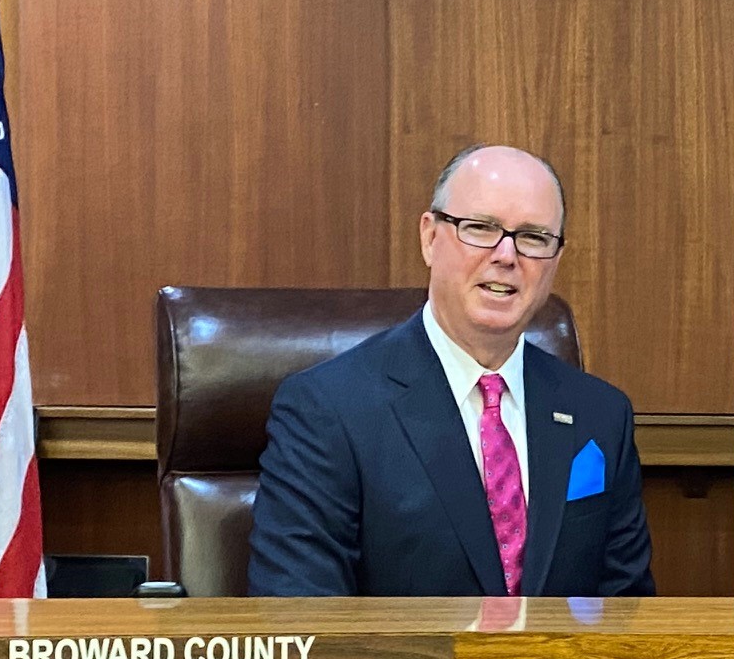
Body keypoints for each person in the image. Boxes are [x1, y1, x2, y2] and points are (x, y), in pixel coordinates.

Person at [249, 145, 655, 597]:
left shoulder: (601, 414)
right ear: (429, 237)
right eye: (480, 228)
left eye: (534, 237)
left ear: (556, 258)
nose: (507, 255)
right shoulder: (328, 409)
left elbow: (626, 611)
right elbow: (302, 611)